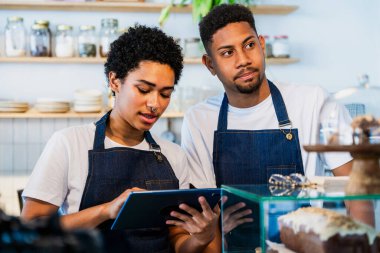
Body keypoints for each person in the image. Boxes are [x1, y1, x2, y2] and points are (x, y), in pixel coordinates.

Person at [181, 3, 373, 248]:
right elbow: (205, 215)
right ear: (210, 64)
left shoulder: (313, 101)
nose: (243, 60)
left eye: (249, 45)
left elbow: (357, 191)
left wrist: (364, 245)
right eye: (227, 53)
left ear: (262, 44)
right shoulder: (199, 120)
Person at [21, 25, 220, 253]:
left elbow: (178, 243)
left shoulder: (174, 155)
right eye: (144, 89)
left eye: (165, 94)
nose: (155, 104)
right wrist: (106, 210)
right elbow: (30, 229)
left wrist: (201, 238)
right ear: (115, 81)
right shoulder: (69, 143)